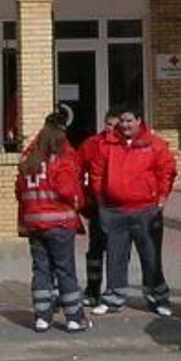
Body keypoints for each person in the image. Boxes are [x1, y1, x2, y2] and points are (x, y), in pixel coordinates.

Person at [89, 107, 176, 317]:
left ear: (139, 120)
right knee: (116, 256)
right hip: (115, 210)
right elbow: (96, 173)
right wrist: (102, 200)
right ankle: (113, 298)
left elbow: (167, 171)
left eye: (129, 120)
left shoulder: (155, 144)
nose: (125, 125)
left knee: (151, 257)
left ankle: (158, 298)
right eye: (122, 121)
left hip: (146, 210)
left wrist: (161, 199)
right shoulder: (107, 144)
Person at [15, 120, 89, 333]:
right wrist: (79, 202)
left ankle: (41, 317)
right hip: (59, 223)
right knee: (65, 271)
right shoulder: (61, 159)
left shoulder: (28, 158)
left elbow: (19, 190)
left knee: (41, 270)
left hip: (33, 223)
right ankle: (74, 317)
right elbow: (68, 190)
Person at [78, 112, 118, 308]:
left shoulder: (131, 146)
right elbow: (77, 171)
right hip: (98, 206)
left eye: (116, 125)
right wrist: (84, 201)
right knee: (95, 249)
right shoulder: (92, 144)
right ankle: (93, 290)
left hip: (122, 208)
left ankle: (114, 290)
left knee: (118, 252)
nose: (112, 129)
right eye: (109, 124)